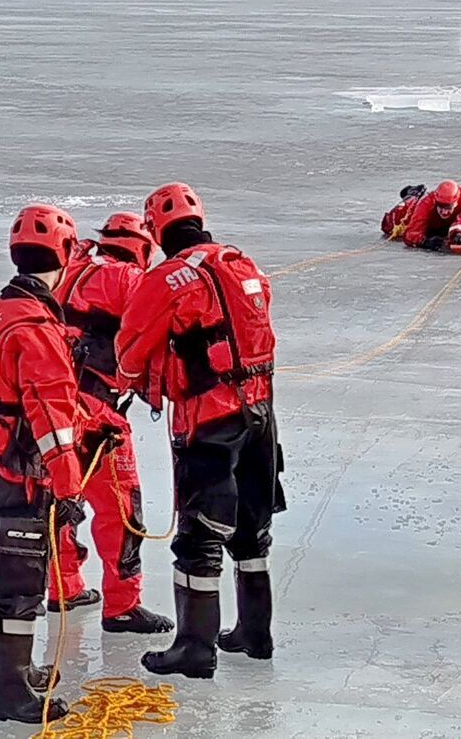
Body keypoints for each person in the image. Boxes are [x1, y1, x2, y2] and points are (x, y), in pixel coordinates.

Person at [117, 183, 284, 678]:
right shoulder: (242, 263)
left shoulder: (167, 278)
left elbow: (129, 349)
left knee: (199, 534)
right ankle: (255, 632)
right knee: (253, 530)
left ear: (157, 230)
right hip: (261, 414)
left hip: (208, 419)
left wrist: (134, 381)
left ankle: (194, 645)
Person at [0, 204, 84, 722]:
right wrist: (70, 487)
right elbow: (52, 420)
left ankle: (18, 671)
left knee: (2, 574)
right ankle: (7, 693)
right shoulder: (37, 329)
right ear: (66, 256)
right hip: (17, 478)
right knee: (19, 587)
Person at [46, 213, 174, 633]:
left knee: (61, 500)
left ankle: (63, 588)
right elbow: (149, 337)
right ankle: (122, 606)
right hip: (98, 412)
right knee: (120, 510)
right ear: (141, 247)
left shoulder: (71, 270)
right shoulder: (129, 280)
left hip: (53, 407)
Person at [403, 180, 461, 250]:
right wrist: (425, 242)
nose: (444, 212)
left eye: (448, 207)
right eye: (440, 206)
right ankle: (412, 195)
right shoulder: (425, 205)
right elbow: (410, 235)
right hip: (409, 215)